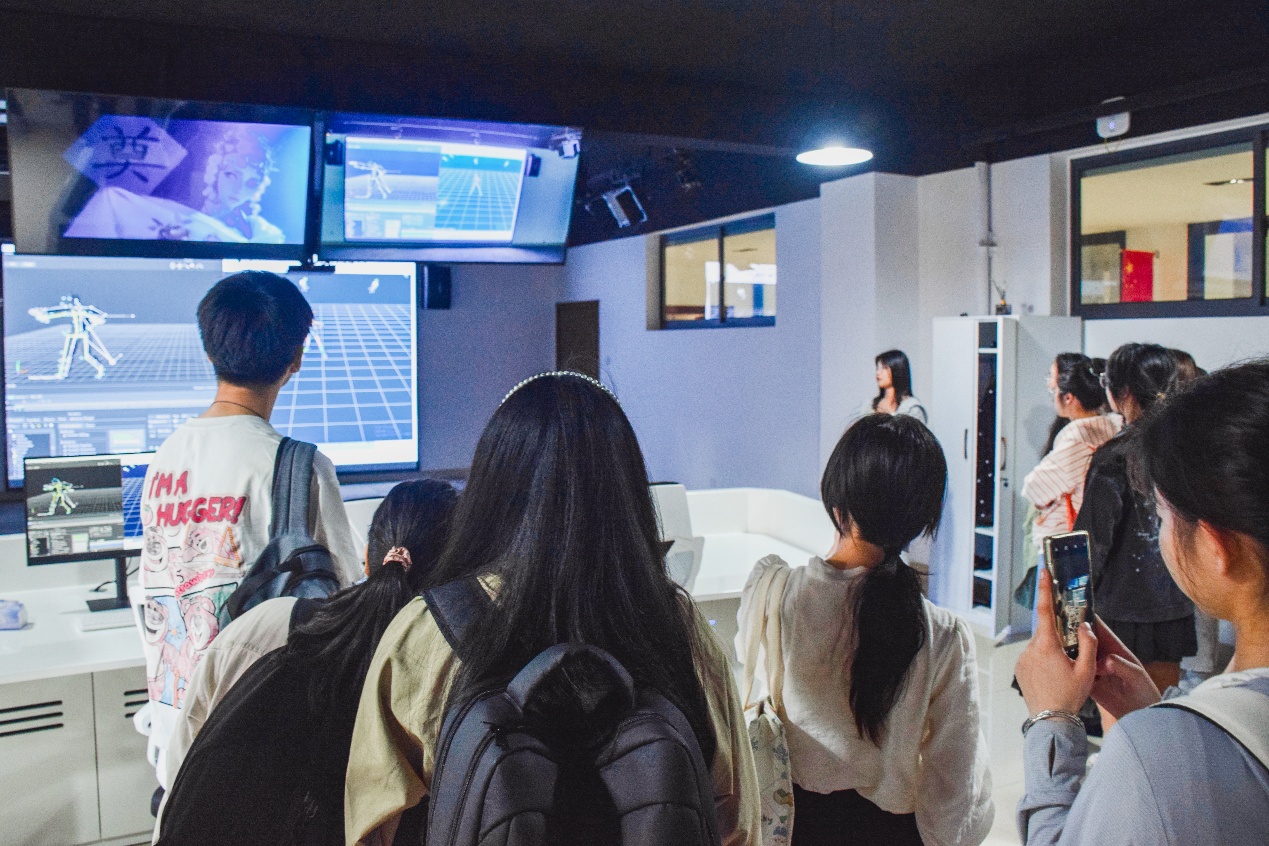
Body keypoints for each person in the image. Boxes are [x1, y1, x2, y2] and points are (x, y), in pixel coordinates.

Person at [344, 372, 760, 846]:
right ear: (626, 491)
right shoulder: (677, 628)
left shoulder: (427, 630)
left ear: (490, 489)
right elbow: (737, 820)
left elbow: (372, 821)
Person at [1015, 359, 1269, 844]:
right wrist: (1158, 712)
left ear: (1217, 547)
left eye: (1163, 515)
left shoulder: (1148, 759)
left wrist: (1052, 722)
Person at [136, 270, 361, 787]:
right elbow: (347, 599)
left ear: (209, 351)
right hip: (256, 739)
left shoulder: (165, 456)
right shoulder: (297, 465)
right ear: (295, 359)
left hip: (176, 736)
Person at [154, 479, 458, 846]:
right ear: (457, 579)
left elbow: (183, 778)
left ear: (366, 557)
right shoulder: (443, 679)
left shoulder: (259, 628)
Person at [737, 414, 993, 846]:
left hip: (793, 822)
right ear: (920, 519)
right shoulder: (943, 634)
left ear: (837, 498)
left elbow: (754, 664)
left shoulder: (771, 590)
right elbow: (956, 779)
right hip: (893, 831)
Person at [1073, 342, 1193, 697]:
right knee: (1160, 707)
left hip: (1120, 607)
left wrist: (1071, 610)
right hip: (1173, 600)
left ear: (1123, 391)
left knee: (1121, 716)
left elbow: (1091, 542)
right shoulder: (1186, 448)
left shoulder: (1116, 456)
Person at [1023, 353, 1120, 553]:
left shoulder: (1078, 437)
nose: (1051, 392)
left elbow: (1035, 487)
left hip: (1065, 541)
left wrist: (1047, 499)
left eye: (1053, 389)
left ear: (1068, 398)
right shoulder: (1111, 426)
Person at [866, 350, 927, 423]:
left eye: (884, 368)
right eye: (877, 368)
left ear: (897, 370)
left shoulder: (912, 408)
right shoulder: (869, 405)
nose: (878, 372)